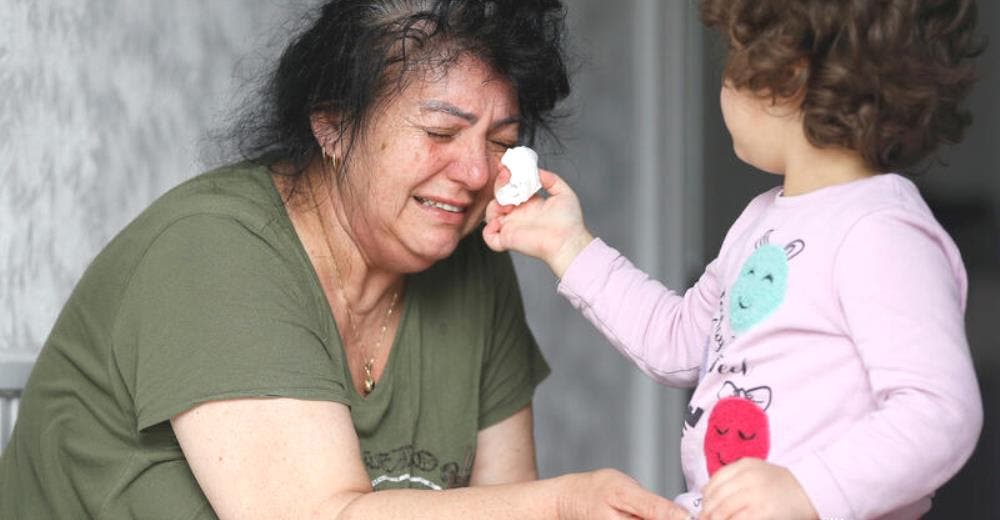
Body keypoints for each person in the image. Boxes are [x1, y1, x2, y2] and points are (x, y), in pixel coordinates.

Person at [0, 1, 691, 519]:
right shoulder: (214, 252)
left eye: (501, 140)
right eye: (441, 131)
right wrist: (563, 503)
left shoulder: (474, 268)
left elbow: (498, 505)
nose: (477, 172)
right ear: (332, 124)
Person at [483, 0, 985, 518]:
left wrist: (806, 490)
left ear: (785, 78)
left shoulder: (882, 231)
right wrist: (568, 245)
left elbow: (939, 412)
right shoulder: (762, 219)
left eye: (733, 64)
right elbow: (679, 340)